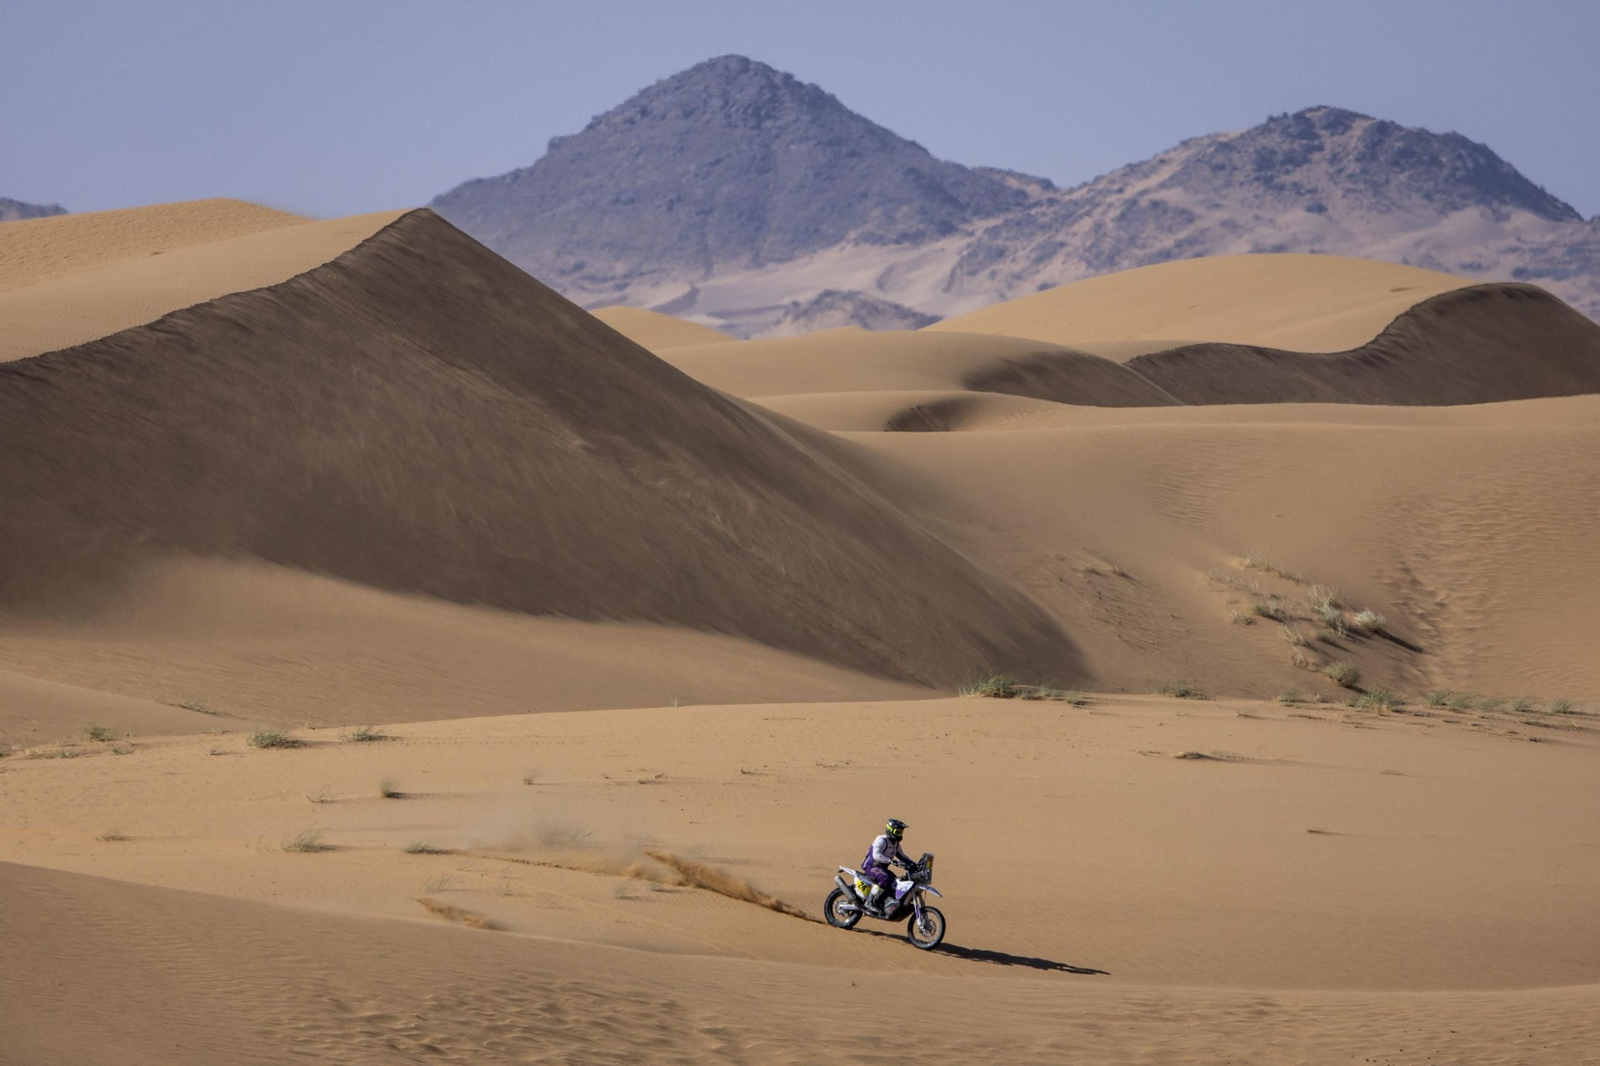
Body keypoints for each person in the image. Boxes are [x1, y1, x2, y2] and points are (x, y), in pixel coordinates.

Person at [860, 818, 911, 914]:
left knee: (894, 881)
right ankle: (870, 903)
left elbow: (903, 857)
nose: (899, 834)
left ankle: (882, 902)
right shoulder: (882, 840)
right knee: (885, 878)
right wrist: (890, 861)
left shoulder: (895, 844)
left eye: (901, 832)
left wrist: (914, 864)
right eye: (897, 832)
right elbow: (876, 855)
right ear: (890, 830)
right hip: (871, 866)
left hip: (881, 869)